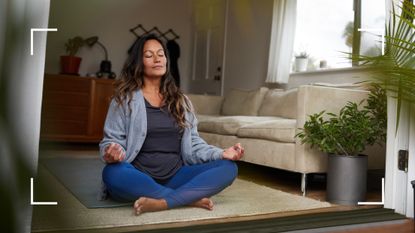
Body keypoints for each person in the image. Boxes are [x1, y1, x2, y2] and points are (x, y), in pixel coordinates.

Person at [99, 34, 244, 215]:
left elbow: (195, 144)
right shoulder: (123, 100)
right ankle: (187, 198)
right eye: (149, 55)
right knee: (112, 173)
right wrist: (112, 152)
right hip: (138, 176)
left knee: (228, 168)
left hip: (176, 176)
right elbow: (110, 142)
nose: (157, 58)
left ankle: (162, 202)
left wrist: (221, 153)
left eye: (161, 53)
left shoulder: (181, 101)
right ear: (138, 61)